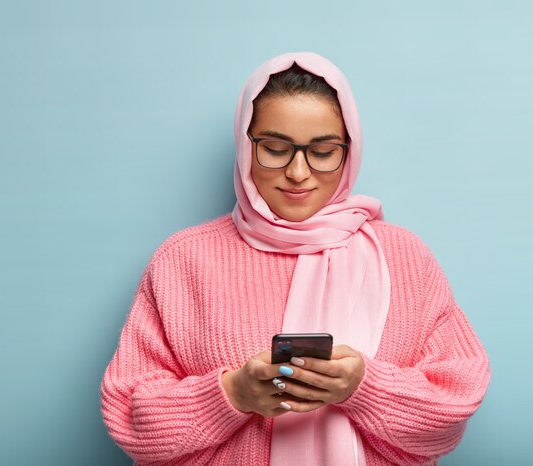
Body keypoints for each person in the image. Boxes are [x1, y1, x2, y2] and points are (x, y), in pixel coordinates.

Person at [101, 52, 490, 466]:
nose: (299, 172)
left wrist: (365, 388)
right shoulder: (183, 262)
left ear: (349, 149)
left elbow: (451, 411)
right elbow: (130, 419)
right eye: (275, 148)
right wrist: (232, 395)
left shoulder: (404, 259)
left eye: (322, 152)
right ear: (245, 147)